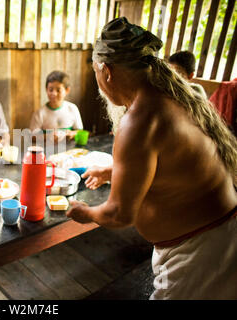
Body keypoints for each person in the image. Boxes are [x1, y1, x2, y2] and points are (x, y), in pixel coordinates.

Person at [66, 17, 237, 299]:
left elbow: (119, 214)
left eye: (96, 72)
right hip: (217, 235)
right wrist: (111, 171)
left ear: (106, 71)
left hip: (201, 251)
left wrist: (84, 212)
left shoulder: (139, 120)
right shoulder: (175, 97)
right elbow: (175, 162)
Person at [29, 70, 83, 142]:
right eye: (51, 90)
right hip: (48, 151)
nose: (54, 94)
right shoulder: (40, 113)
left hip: (70, 150)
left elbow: (80, 131)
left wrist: (72, 134)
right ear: (46, 90)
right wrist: (48, 136)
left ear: (67, 90)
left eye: (58, 90)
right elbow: (32, 137)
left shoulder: (72, 108)